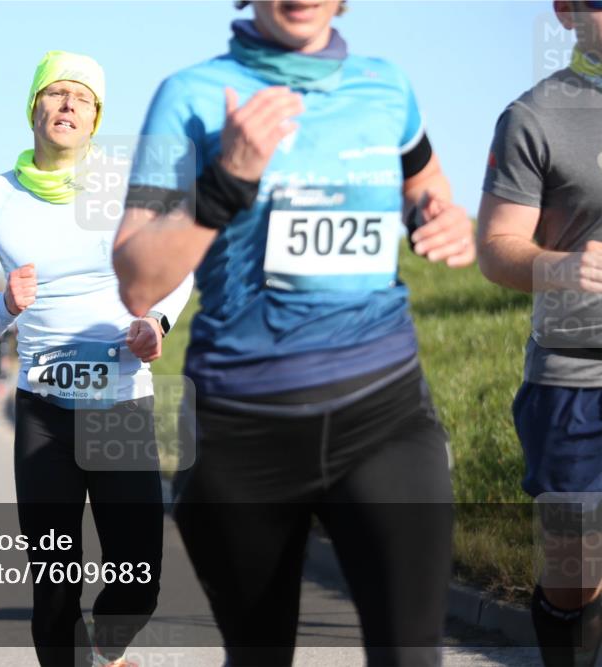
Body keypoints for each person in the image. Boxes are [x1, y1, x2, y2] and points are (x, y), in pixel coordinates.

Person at [112, 2, 475, 665]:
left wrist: (439, 212)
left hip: (384, 410)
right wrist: (227, 178)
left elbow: (424, 179)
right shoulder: (189, 96)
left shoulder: (385, 85)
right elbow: (136, 276)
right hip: (245, 428)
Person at [0, 50, 193, 667]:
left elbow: (176, 270)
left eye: (81, 98)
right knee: (55, 585)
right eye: (54, 93)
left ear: (95, 117)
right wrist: (5, 303)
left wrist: (156, 321)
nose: (66, 105)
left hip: (120, 405)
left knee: (138, 581)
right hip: (43, 415)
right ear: (33, 107)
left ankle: (106, 652)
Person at [476, 2, 602, 664]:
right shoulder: (536, 115)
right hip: (573, 377)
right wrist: (565, 265)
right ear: (568, 12)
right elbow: (496, 247)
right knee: (574, 564)